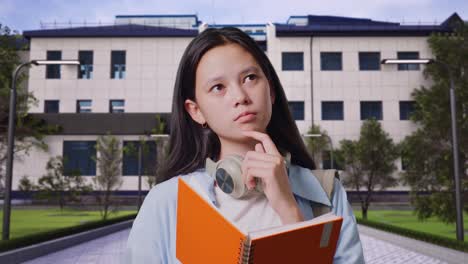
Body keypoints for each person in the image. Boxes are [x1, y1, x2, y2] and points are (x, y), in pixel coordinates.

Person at [124, 27, 365, 264]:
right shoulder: (168, 201)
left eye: (250, 78)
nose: (240, 96)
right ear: (196, 111)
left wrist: (289, 210)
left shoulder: (326, 193)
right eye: (218, 87)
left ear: (270, 90)